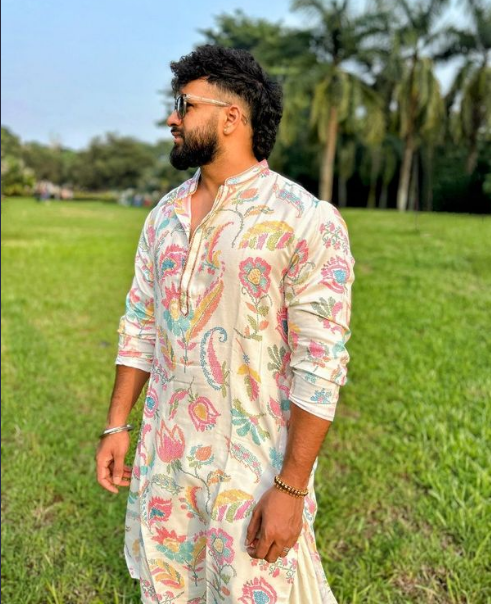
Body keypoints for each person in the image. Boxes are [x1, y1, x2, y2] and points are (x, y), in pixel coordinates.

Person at [96, 44, 354, 604]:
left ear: (231, 117)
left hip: (252, 468)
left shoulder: (305, 220)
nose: (172, 119)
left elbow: (321, 368)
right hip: (165, 459)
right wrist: (117, 425)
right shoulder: (163, 217)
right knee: (169, 590)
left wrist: (291, 487)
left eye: (184, 106)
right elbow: (140, 325)